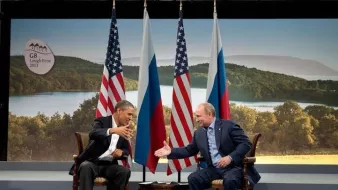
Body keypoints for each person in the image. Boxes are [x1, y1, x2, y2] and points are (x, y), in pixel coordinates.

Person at [154, 102, 261, 190]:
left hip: (233, 167)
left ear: (209, 114)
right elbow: (189, 150)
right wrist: (170, 151)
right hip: (214, 169)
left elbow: (246, 144)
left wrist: (230, 157)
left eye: (198, 116)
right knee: (194, 178)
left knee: (230, 180)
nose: (196, 119)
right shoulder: (199, 133)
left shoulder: (229, 126)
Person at [69, 100, 135, 190]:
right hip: (92, 163)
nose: (131, 118)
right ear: (119, 111)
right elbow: (93, 133)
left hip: (109, 165)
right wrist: (113, 130)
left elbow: (126, 150)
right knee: (85, 166)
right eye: (129, 114)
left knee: (124, 171)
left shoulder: (124, 129)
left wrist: (121, 152)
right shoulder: (101, 121)